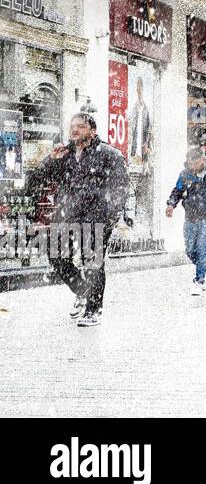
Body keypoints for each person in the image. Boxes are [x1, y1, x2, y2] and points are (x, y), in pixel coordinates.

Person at [29, 113, 129, 326]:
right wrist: (50, 160)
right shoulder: (64, 154)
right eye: (72, 126)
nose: (74, 130)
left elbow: (121, 189)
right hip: (66, 216)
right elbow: (36, 180)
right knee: (57, 257)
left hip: (96, 217)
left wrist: (109, 216)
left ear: (93, 131)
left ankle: (93, 310)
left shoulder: (109, 155)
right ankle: (82, 291)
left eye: (81, 126)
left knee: (92, 262)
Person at [166, 147, 206, 296]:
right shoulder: (185, 174)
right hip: (191, 216)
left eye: (196, 163)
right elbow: (177, 190)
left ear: (203, 159)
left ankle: (199, 280)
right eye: (191, 164)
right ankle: (205, 266)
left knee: (203, 246)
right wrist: (171, 204)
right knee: (190, 249)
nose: (193, 167)